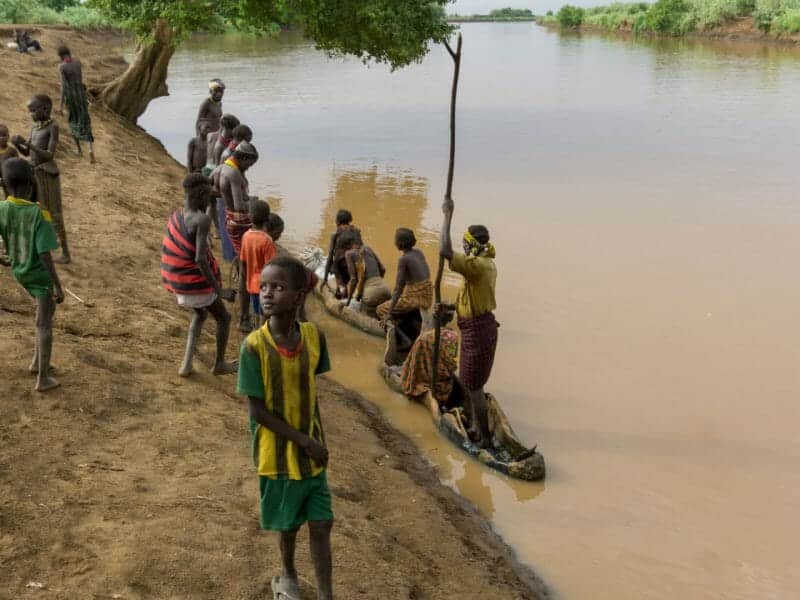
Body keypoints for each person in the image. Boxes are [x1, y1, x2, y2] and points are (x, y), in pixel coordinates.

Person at [237, 256, 334, 600]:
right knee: (289, 525)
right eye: (263, 287)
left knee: (322, 524)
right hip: (278, 455)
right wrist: (303, 440)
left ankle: (325, 595)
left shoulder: (313, 337)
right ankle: (288, 573)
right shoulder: (253, 347)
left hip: (312, 453)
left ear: (298, 296)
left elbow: (309, 386)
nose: (267, 294)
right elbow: (257, 411)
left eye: (278, 288)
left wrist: (314, 439)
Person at [161, 173, 237, 377]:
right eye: (208, 196)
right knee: (223, 317)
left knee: (201, 313)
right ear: (201, 194)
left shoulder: (176, 215)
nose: (209, 199)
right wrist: (219, 290)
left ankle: (186, 365)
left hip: (177, 283)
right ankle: (220, 363)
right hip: (193, 285)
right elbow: (200, 259)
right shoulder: (201, 220)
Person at [0, 158, 65, 392]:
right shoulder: (39, 214)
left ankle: (37, 363)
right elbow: (45, 255)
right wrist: (57, 286)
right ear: (30, 184)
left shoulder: (2, 207)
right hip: (39, 276)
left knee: (41, 317)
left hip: (19, 272)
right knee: (44, 323)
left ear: (5, 184)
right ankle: (43, 378)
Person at [439, 197, 499, 448]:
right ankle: (475, 426)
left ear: (472, 245)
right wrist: (451, 308)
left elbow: (444, 250)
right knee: (473, 382)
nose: (462, 246)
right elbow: (471, 298)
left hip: (479, 331)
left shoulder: (478, 266)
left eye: (465, 242)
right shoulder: (481, 265)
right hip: (476, 327)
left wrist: (447, 216)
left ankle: (485, 438)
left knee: (473, 387)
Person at [12, 94, 70, 264]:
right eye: (29, 111)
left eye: (33, 110)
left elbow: (49, 155)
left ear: (45, 109)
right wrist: (18, 144)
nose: (31, 114)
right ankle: (39, 245)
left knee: (54, 212)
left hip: (47, 174)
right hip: (35, 172)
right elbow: (28, 154)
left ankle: (66, 253)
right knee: (36, 209)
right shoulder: (35, 126)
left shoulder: (53, 127)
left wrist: (28, 144)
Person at [396, 303, 459, 405]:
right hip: (444, 387)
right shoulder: (454, 336)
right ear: (450, 319)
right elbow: (450, 362)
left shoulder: (424, 338)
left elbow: (414, 365)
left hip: (427, 382)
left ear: (434, 316)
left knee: (403, 372)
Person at [376, 227, 433, 323]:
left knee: (380, 309)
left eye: (396, 240)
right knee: (397, 299)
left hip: (415, 300)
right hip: (427, 297)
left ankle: (396, 324)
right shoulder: (419, 252)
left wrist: (389, 313)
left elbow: (398, 288)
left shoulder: (403, 259)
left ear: (400, 243)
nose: (394, 242)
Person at [216, 141, 259, 260]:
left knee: (239, 250)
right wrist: (254, 203)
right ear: (243, 158)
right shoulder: (233, 173)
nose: (249, 167)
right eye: (249, 164)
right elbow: (239, 206)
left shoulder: (223, 167)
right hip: (238, 218)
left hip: (230, 215)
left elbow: (212, 184)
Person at [238, 200, 276, 332]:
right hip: (264, 286)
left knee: (257, 311)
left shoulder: (246, 236)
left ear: (250, 217)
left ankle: (257, 333)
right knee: (264, 315)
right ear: (267, 219)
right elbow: (271, 269)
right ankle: (262, 338)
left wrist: (245, 279)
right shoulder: (267, 241)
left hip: (251, 285)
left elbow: (243, 261)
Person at [57, 45, 95, 163]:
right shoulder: (77, 63)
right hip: (81, 95)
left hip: (71, 97)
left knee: (73, 121)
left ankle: (79, 150)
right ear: (69, 53)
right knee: (85, 120)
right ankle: (90, 150)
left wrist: (61, 105)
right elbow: (80, 79)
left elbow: (63, 87)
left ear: (60, 56)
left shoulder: (62, 67)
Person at [341, 230, 391, 315]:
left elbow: (353, 280)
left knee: (363, 315)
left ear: (347, 245)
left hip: (371, 294)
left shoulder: (349, 253)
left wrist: (348, 301)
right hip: (386, 289)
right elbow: (383, 269)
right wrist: (377, 284)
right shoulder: (368, 248)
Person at [321, 210, 360, 298]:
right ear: (349, 220)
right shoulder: (357, 231)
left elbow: (330, 255)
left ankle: (341, 291)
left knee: (336, 266)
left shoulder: (335, 234)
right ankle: (344, 293)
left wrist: (325, 278)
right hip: (357, 264)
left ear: (337, 221)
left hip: (341, 266)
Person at [0, 125, 20, 198]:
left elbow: (18, 164)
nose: (2, 138)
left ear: (8, 136)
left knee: (12, 196)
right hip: (2, 178)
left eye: (4, 135)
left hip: (11, 178)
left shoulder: (12, 150)